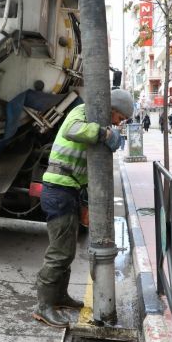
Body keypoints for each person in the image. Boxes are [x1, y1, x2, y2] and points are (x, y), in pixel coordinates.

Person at [33, 89, 132, 328]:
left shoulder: (96, 118)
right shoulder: (83, 111)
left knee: (66, 250)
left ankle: (59, 297)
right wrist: (102, 133)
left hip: (68, 190)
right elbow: (71, 130)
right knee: (60, 252)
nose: (119, 123)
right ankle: (43, 306)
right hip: (58, 189)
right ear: (113, 108)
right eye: (120, 117)